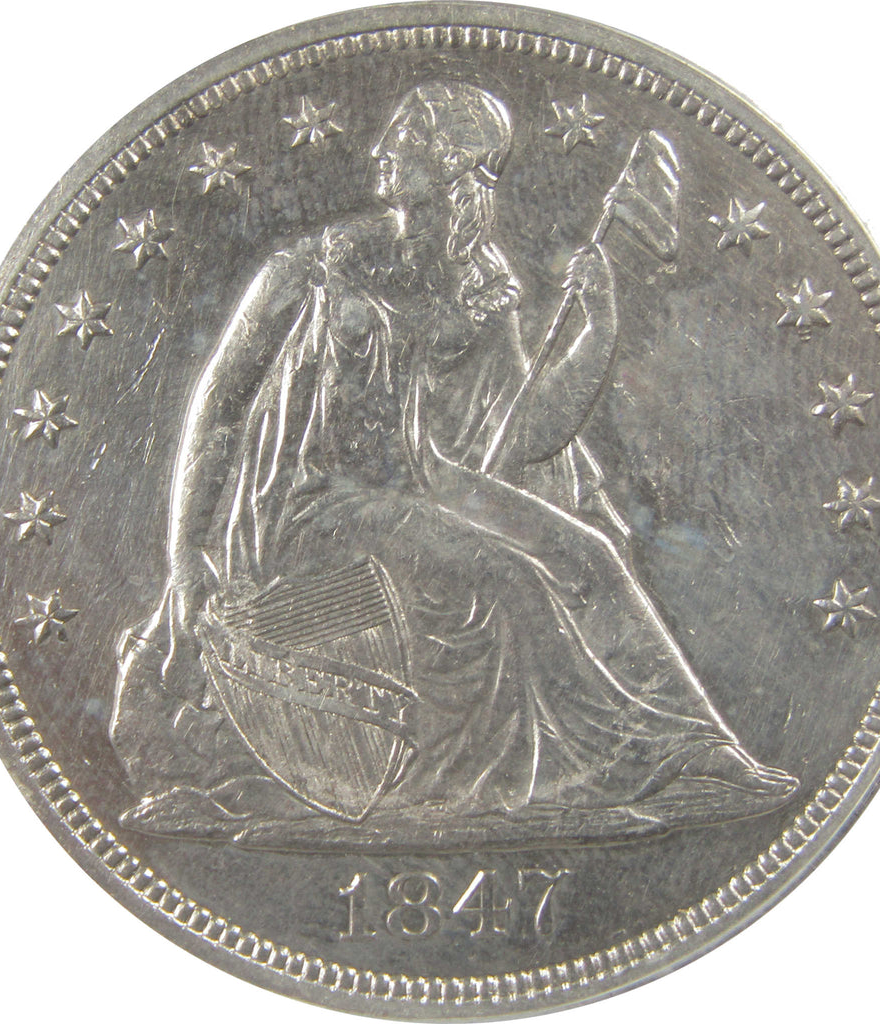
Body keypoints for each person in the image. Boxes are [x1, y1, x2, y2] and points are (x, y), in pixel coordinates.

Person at [111, 80, 797, 848]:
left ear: (451, 165)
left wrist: (597, 328)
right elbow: (220, 403)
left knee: (589, 553)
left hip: (422, 479)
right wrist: (184, 553)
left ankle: (697, 753)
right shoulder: (315, 267)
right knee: (506, 576)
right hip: (315, 505)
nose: (381, 150)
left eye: (404, 139)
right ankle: (582, 774)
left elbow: (527, 431)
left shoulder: (477, 280)